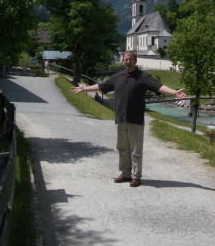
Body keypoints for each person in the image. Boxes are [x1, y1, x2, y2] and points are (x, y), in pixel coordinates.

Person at [70, 50, 187, 187]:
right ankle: (125, 174)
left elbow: (158, 86)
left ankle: (137, 176)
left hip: (135, 118)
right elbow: (102, 86)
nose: (128, 61)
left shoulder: (143, 77)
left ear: (135, 61)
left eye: (130, 59)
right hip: (121, 118)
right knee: (122, 147)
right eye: (125, 59)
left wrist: (174, 92)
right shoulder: (117, 76)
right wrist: (84, 89)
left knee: (136, 150)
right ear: (122, 61)